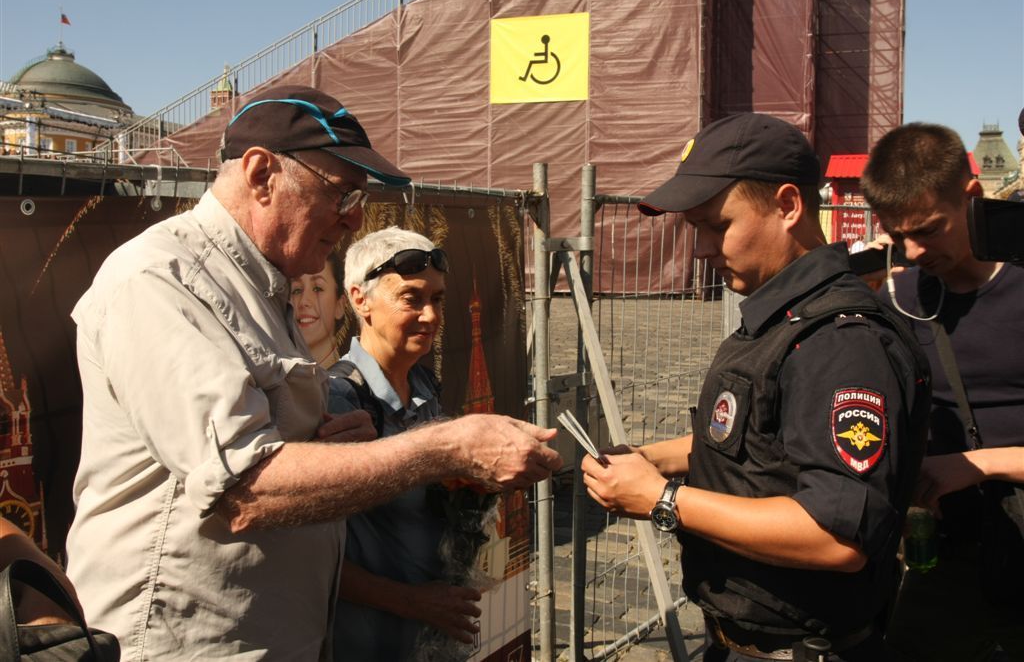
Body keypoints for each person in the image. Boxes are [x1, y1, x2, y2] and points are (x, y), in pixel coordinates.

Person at [65, 85, 561, 660]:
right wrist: (446, 448)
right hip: (188, 641)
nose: (352, 221)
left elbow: (261, 450)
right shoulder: (160, 282)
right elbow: (244, 490)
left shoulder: (261, 283)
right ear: (260, 174)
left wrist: (333, 442)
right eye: (342, 194)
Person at [581, 113, 930, 662]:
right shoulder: (780, 318)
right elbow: (758, 447)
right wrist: (643, 459)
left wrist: (662, 499)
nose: (700, 249)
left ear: (788, 206)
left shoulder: (840, 342)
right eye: (696, 229)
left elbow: (836, 534)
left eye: (716, 226)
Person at [860, 122, 1024, 661]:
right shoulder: (900, 297)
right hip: (945, 564)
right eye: (897, 234)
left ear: (971, 196)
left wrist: (974, 465)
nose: (913, 249)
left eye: (928, 229)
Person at [326, 226, 483, 661]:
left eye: (437, 299)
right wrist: (411, 601)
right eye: (412, 299)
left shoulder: (423, 384)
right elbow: (314, 559)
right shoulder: (341, 402)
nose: (430, 316)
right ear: (361, 301)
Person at [290, 249, 347, 371]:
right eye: (296, 290)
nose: (304, 301)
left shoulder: (352, 380)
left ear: (339, 306)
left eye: (317, 289)